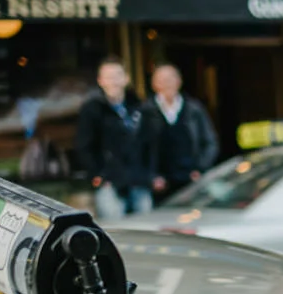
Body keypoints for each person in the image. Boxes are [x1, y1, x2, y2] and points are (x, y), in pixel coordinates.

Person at [75, 57, 153, 220]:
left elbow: (150, 143)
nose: (113, 81)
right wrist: (98, 175)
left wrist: (149, 173)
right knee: (116, 231)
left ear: (126, 79)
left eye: (117, 76)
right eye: (108, 77)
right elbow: (84, 146)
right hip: (109, 183)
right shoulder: (92, 109)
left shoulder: (139, 106)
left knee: (146, 229)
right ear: (100, 81)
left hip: (139, 181)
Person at [142, 63, 219, 200]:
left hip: (191, 179)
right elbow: (138, 149)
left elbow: (210, 142)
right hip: (159, 184)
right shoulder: (145, 112)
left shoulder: (194, 109)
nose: (167, 84)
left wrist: (200, 168)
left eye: (171, 79)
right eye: (162, 80)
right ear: (154, 84)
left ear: (179, 81)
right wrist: (151, 176)